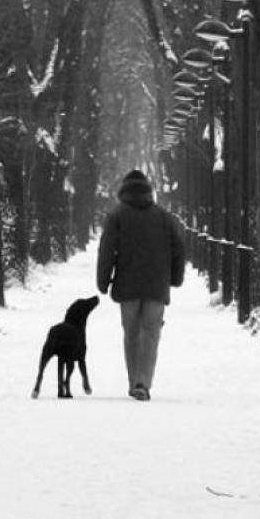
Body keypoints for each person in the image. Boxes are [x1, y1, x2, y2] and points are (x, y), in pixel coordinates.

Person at [96, 169, 185, 401]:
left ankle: (133, 380)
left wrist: (103, 280)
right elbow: (178, 248)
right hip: (157, 285)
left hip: (127, 285)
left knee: (132, 333)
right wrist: (175, 278)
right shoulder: (163, 217)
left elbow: (106, 250)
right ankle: (143, 382)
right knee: (151, 334)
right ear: (148, 191)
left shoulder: (117, 216)